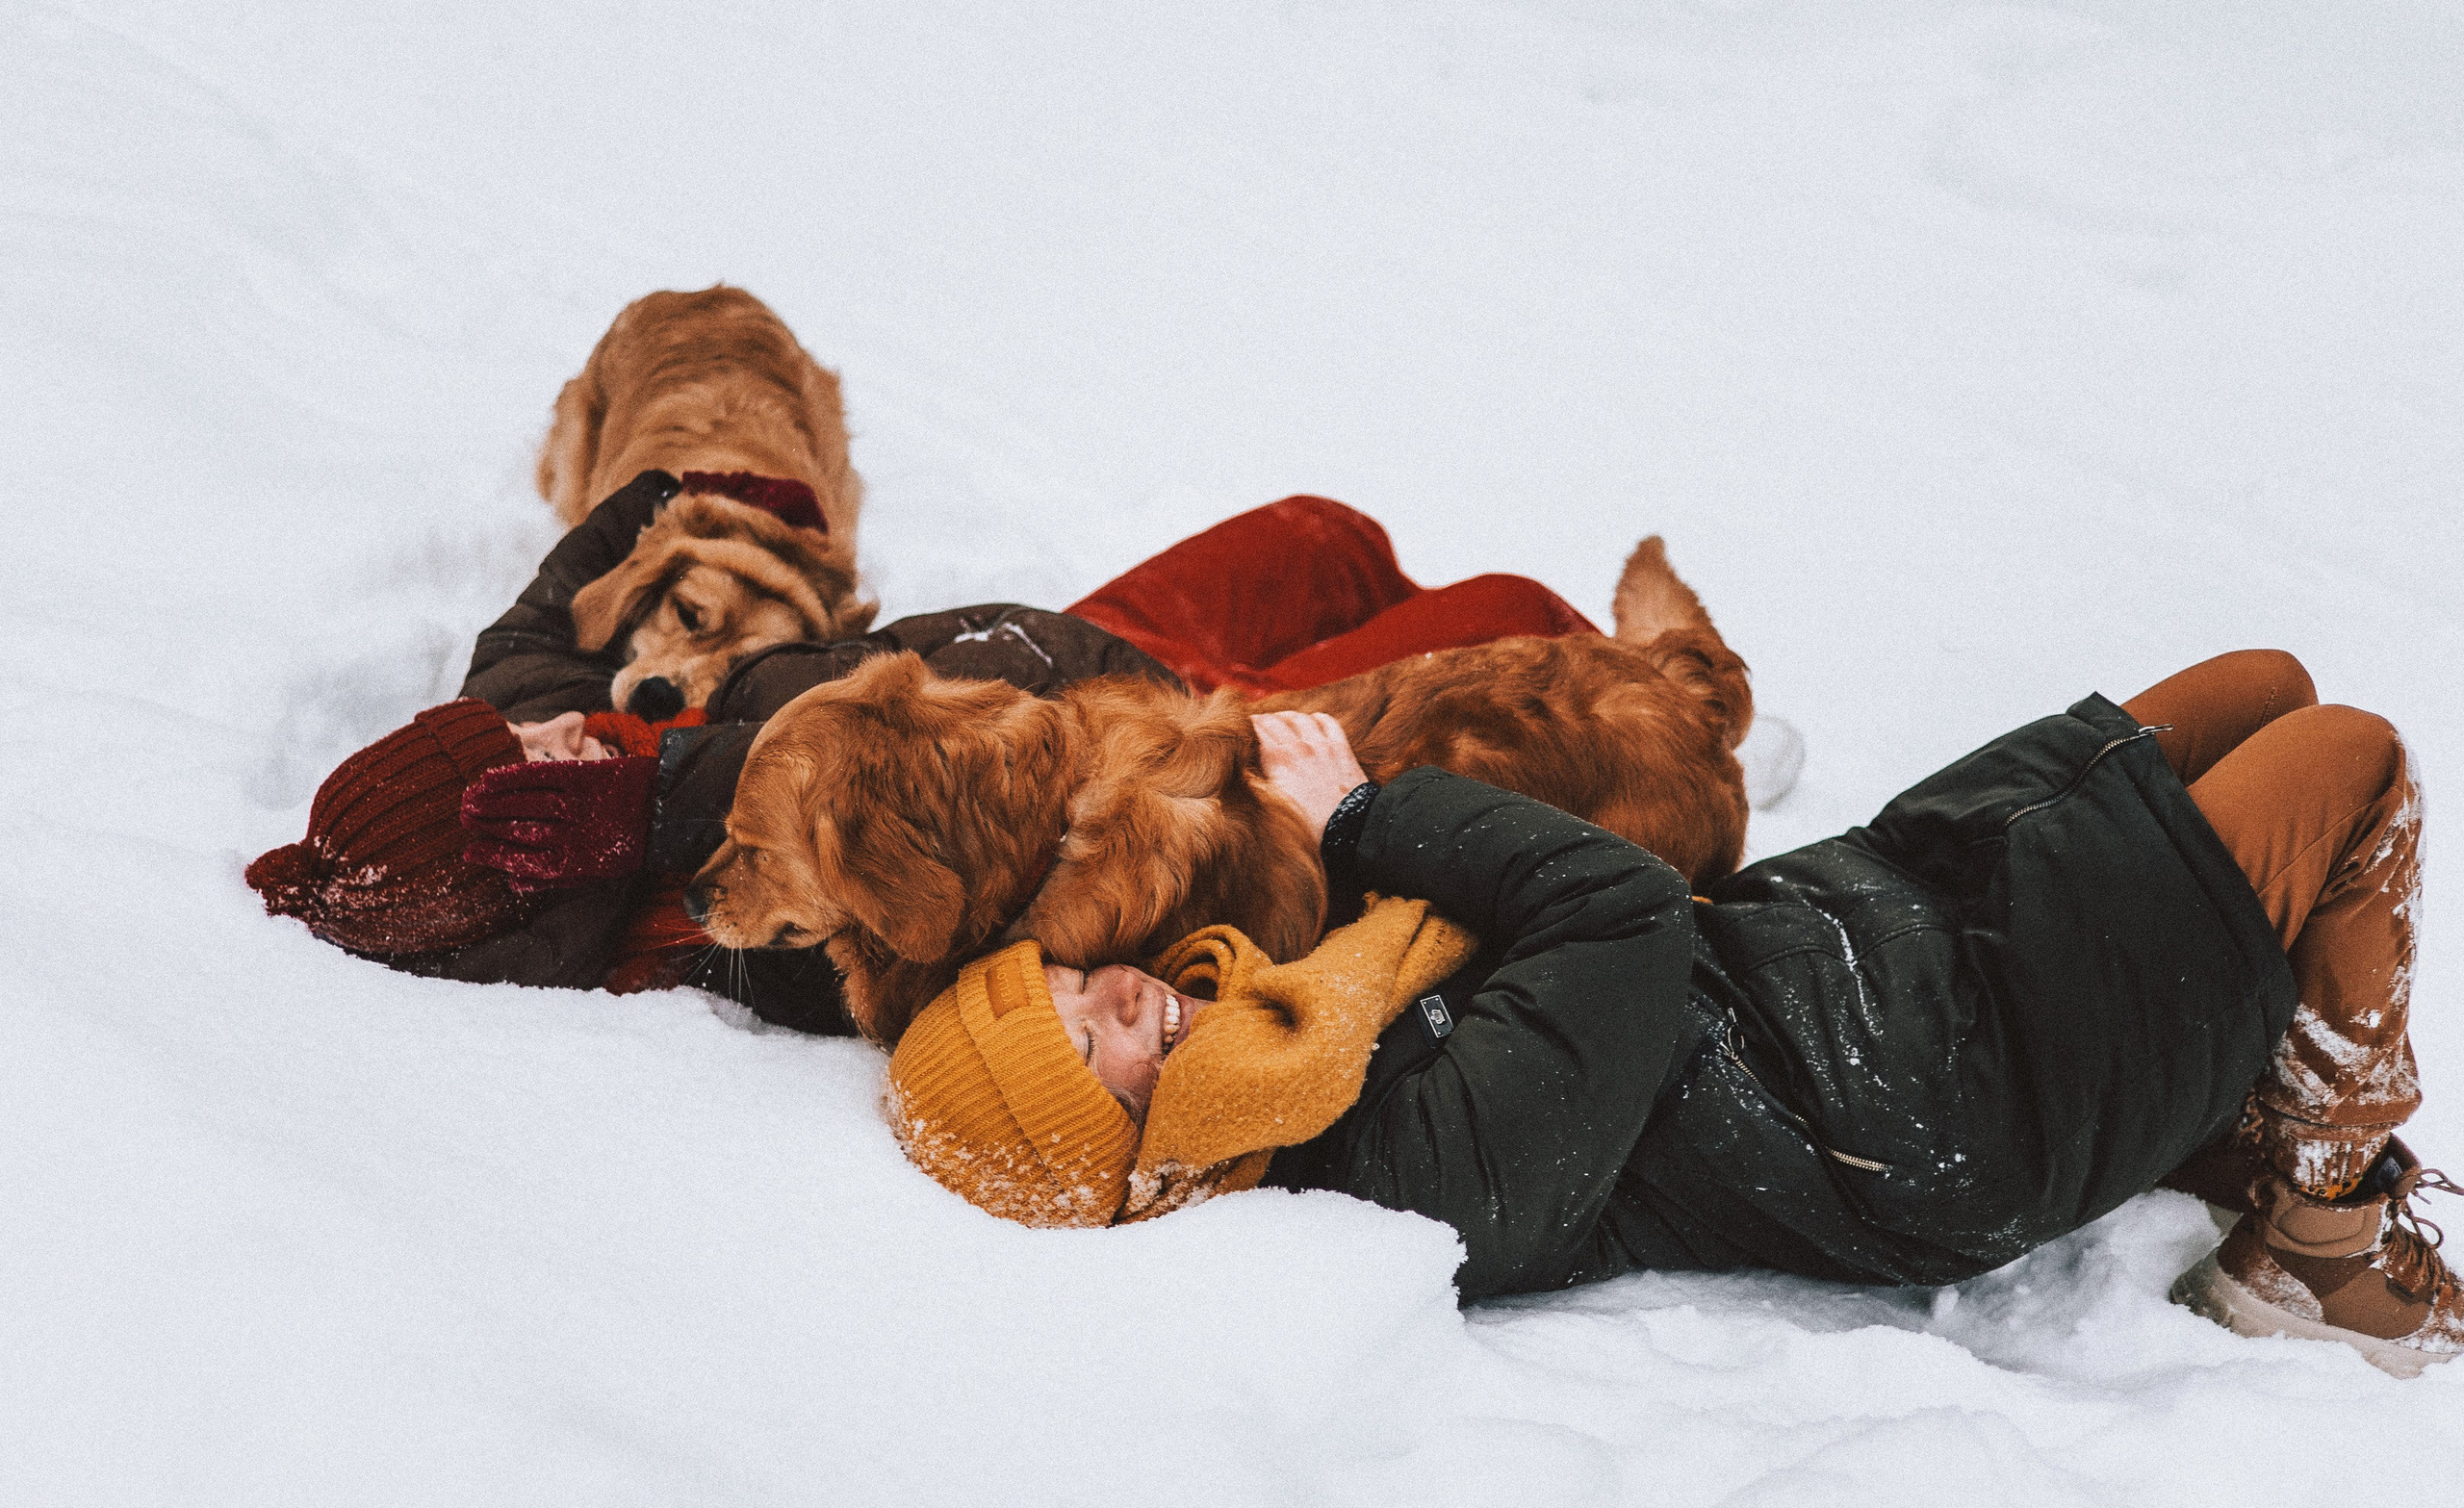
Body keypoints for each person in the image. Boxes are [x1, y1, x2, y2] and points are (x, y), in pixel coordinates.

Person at [884, 650, 2459, 1377]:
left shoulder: (1296, 1021)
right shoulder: (1398, 1184)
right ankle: (2320, 1243)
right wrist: (1365, 816)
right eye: (1084, 1038)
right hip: (1957, 1097)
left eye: (1065, 981)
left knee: (2258, 686)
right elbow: (1622, 914)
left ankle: (2221, 1118)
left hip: (1862, 939)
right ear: (1124, 1154)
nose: (1112, 987)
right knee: (2353, 763)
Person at [250, 473, 1611, 1032]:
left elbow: (543, 608)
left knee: (1321, 533)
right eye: (526, 765)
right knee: (1508, 617)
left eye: (505, 726)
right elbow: (910, 902)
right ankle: (1641, 678)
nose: (554, 725)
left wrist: (680, 499)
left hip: (1070, 640)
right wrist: (654, 810)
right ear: (535, 857)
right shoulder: (692, 931)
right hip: (1185, 753)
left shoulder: (541, 705)